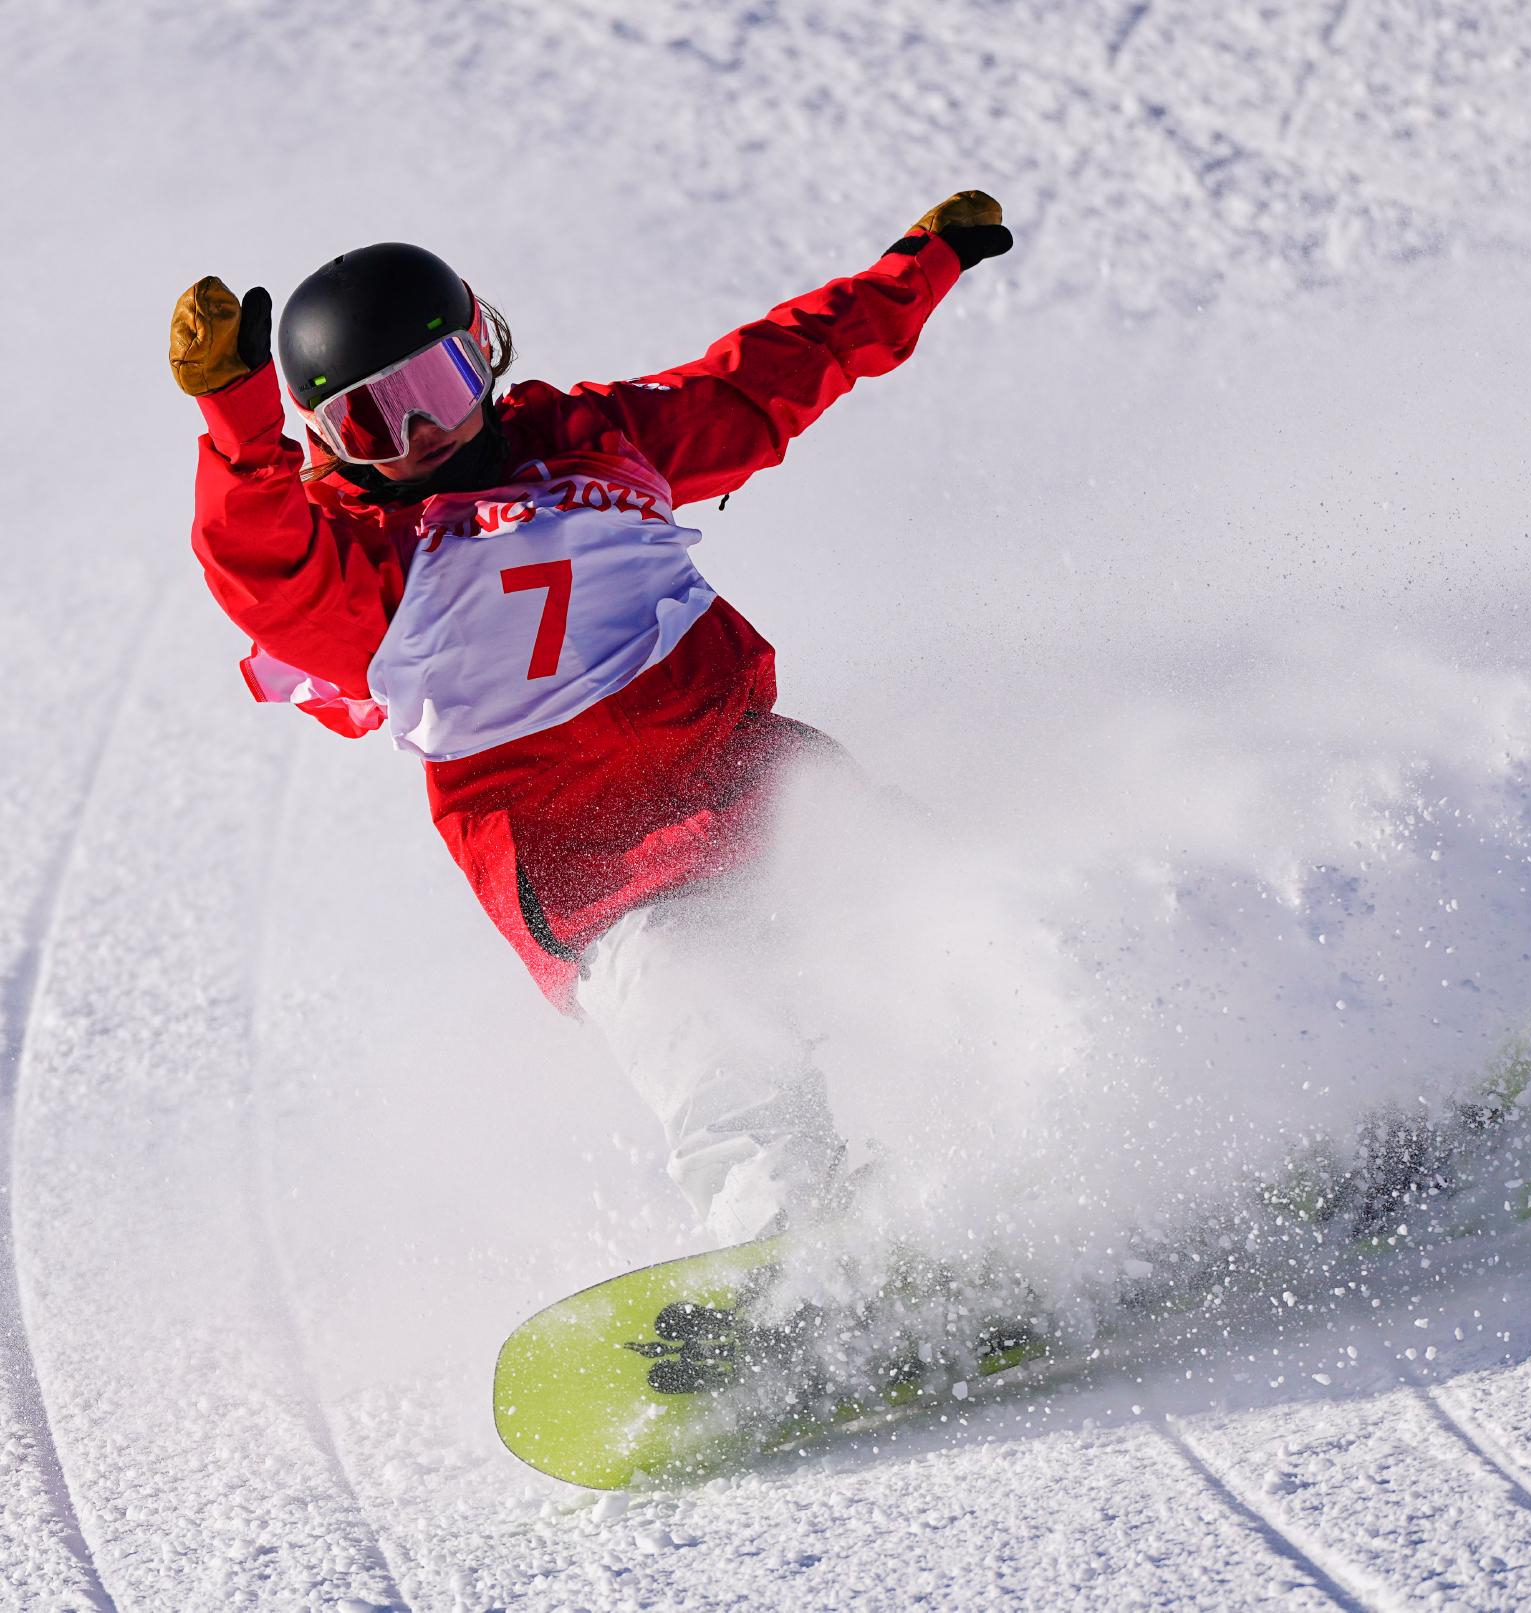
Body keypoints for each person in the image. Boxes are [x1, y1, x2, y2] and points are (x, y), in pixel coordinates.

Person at [168, 194, 1014, 1245]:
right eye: (374, 421)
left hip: (746, 773)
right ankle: (790, 1246)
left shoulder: (596, 439)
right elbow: (266, 572)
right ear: (331, 443)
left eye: (434, 386)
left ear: (482, 352)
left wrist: (918, 266)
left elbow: (764, 381)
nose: (422, 432)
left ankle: (1092, 1086)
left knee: (941, 901)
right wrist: (238, 422)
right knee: (701, 1013)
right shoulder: (364, 563)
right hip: (592, 866)